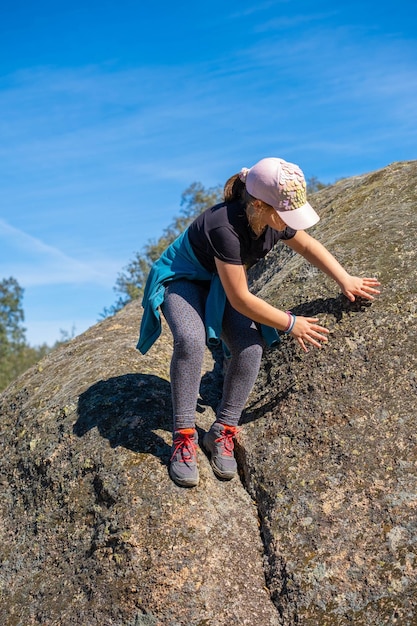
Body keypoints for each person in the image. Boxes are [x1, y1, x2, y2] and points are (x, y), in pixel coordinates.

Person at [137, 157, 380, 488]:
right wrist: (291, 323)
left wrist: (344, 278)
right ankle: (184, 437)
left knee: (250, 346)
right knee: (190, 341)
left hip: (218, 282)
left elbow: (307, 245)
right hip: (182, 279)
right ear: (259, 205)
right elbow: (240, 299)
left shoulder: (273, 221)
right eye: (286, 213)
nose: (291, 221)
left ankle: (221, 431)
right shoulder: (225, 226)